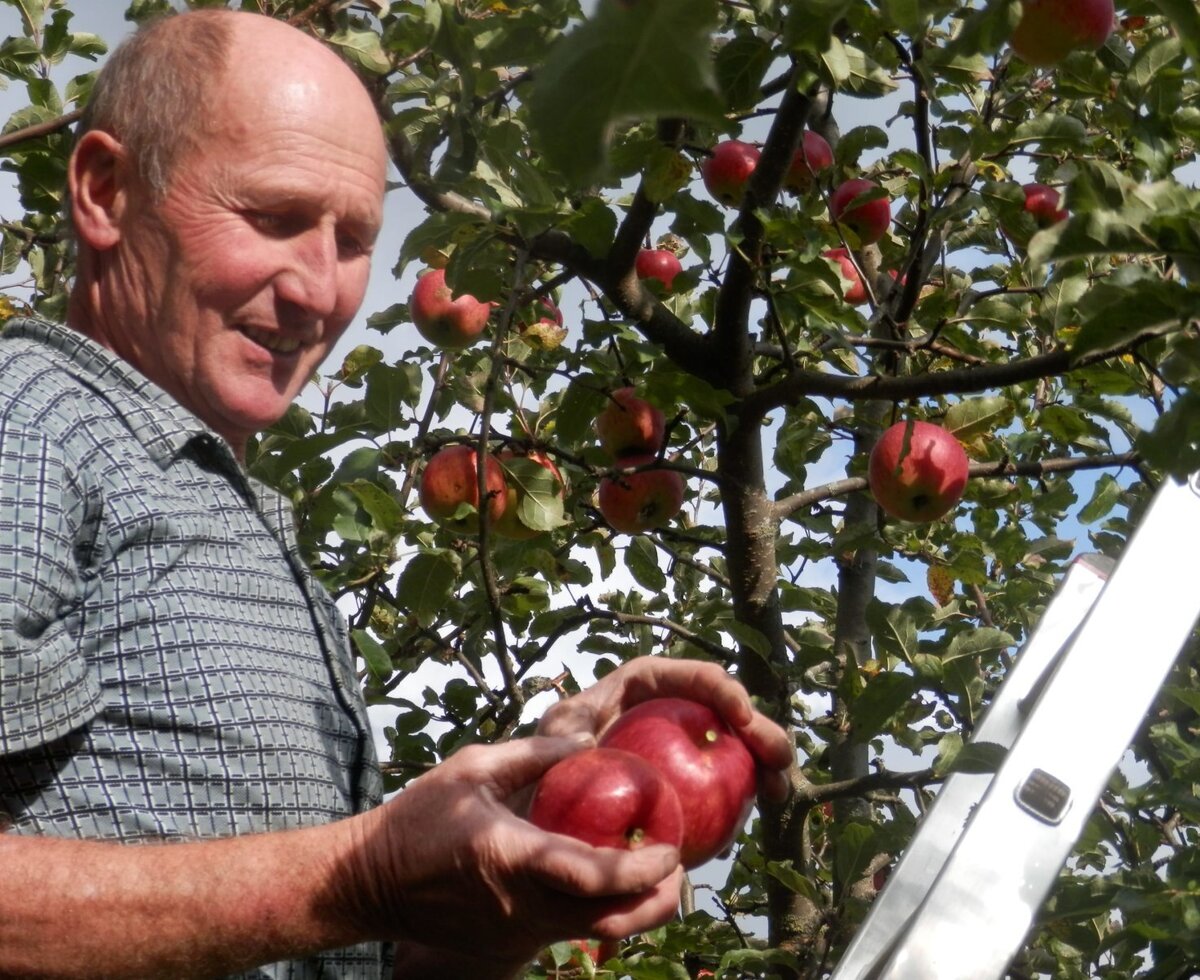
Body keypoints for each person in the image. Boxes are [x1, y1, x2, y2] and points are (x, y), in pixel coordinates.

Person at [0, 9, 794, 980]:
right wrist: (362, 872)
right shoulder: (31, 418)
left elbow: (336, 947)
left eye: (353, 238)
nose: (319, 289)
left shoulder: (212, 502)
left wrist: (526, 828)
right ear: (105, 191)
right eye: (275, 216)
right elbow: (333, 888)